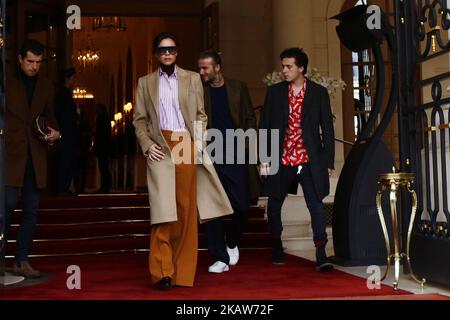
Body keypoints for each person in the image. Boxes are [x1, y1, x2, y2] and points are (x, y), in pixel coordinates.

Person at [133, 32, 232, 290]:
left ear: (177, 53)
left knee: (186, 211)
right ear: (156, 54)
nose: (167, 53)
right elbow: (139, 120)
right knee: (162, 211)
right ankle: (162, 271)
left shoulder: (192, 79)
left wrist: (197, 144)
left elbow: (200, 115)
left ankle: (181, 273)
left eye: (172, 49)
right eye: (163, 50)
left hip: (185, 144)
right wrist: (147, 145)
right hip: (159, 146)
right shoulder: (144, 83)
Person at [259, 47, 335, 271]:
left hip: (309, 158)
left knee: (316, 205)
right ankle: (276, 245)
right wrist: (263, 158)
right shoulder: (274, 92)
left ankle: (321, 252)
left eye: (289, 66)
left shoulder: (319, 93)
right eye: (283, 66)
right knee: (274, 204)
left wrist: (327, 162)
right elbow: (264, 126)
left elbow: (327, 130)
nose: (284, 70)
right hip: (280, 159)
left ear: (301, 68)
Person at [197, 51, 260, 273]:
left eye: (205, 68)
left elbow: (249, 117)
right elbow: (194, 119)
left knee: (242, 206)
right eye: (200, 68)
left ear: (217, 67)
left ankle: (231, 242)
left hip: (236, 153)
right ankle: (220, 258)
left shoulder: (238, 87)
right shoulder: (198, 91)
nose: (202, 72)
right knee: (212, 208)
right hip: (209, 155)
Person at [3, 39, 61, 278]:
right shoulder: (6, 81)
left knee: (31, 210)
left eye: (38, 62)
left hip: (35, 156)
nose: (34, 66)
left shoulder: (46, 86)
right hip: (8, 155)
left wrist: (55, 134)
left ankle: (21, 260)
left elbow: (51, 119)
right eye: (30, 61)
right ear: (20, 59)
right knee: (4, 207)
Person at [54, 67, 78, 195]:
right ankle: (62, 189)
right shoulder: (62, 95)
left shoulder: (66, 94)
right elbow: (58, 113)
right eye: (73, 78)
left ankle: (64, 188)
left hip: (69, 133)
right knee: (65, 161)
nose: (75, 80)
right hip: (65, 134)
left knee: (68, 161)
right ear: (67, 79)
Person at [93, 103, 112, 193]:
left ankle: (104, 187)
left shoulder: (101, 118)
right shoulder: (106, 118)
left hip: (102, 148)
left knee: (103, 167)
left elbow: (99, 134)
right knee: (104, 167)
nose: (95, 110)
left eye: (96, 109)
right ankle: (105, 186)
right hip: (105, 147)